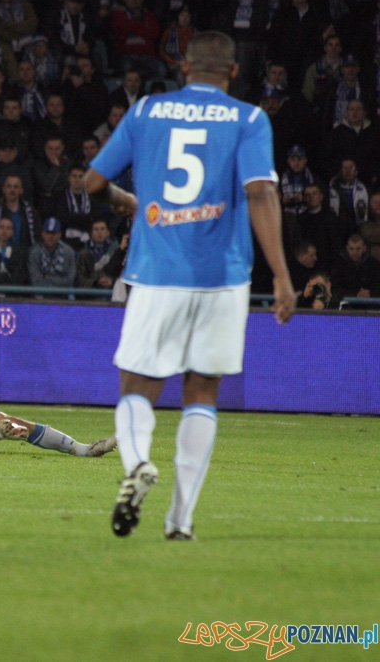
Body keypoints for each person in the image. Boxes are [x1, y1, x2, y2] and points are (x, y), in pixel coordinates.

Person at [83, 31, 295, 541]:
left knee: (137, 384)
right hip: (224, 279)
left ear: (183, 66)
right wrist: (283, 276)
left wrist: (125, 201)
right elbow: (262, 193)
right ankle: (179, 521)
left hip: (157, 273)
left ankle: (136, 464)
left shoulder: (147, 111)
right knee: (202, 391)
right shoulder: (249, 119)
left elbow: (91, 182)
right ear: (235, 73)